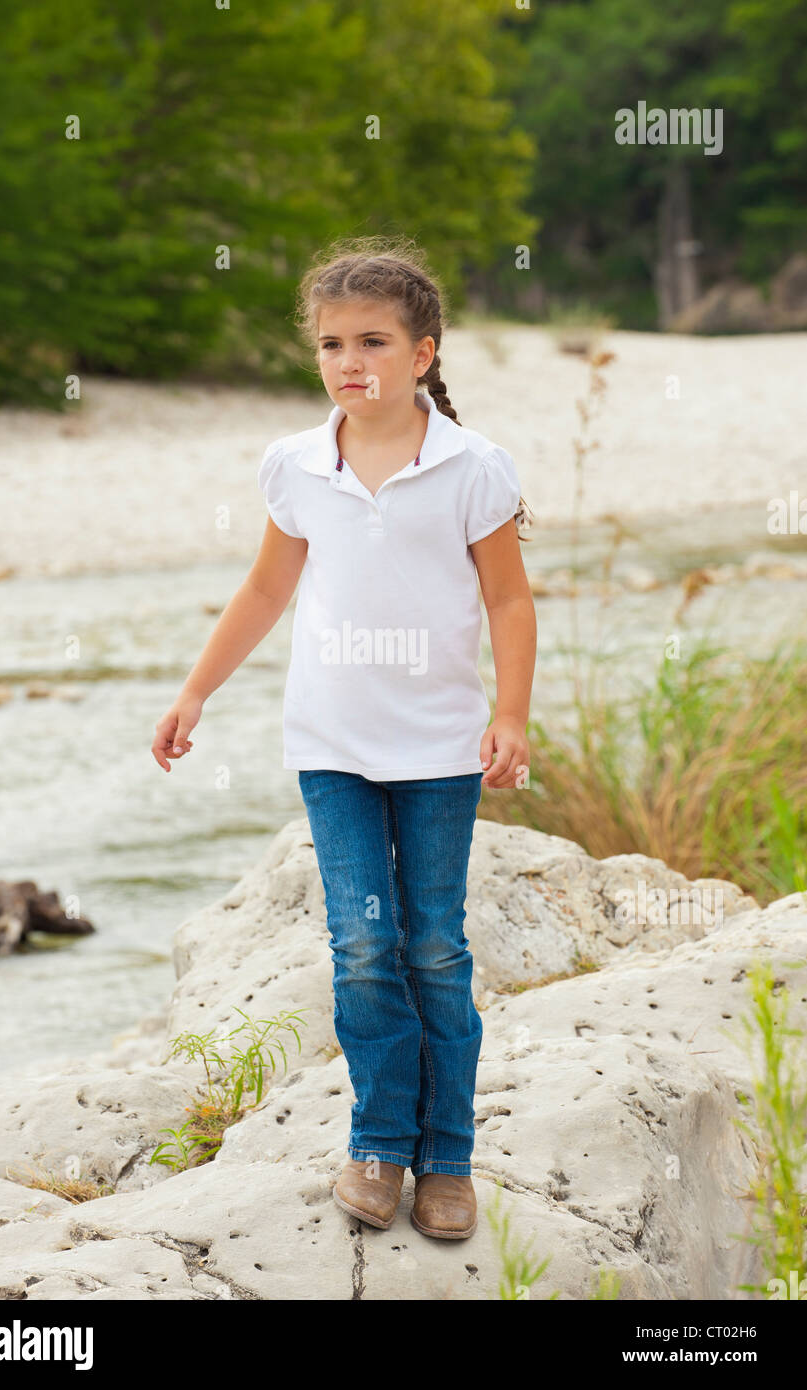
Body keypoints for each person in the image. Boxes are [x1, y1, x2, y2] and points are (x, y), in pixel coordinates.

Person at [151, 237, 537, 1241]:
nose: (348, 359)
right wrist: (196, 690)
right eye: (330, 342)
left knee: (436, 950)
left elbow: (507, 597)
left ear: (423, 351)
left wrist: (509, 714)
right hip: (332, 747)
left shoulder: (471, 467)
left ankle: (445, 1157)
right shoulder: (294, 464)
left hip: (442, 751)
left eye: (372, 339)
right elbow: (267, 585)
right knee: (364, 945)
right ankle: (377, 1142)